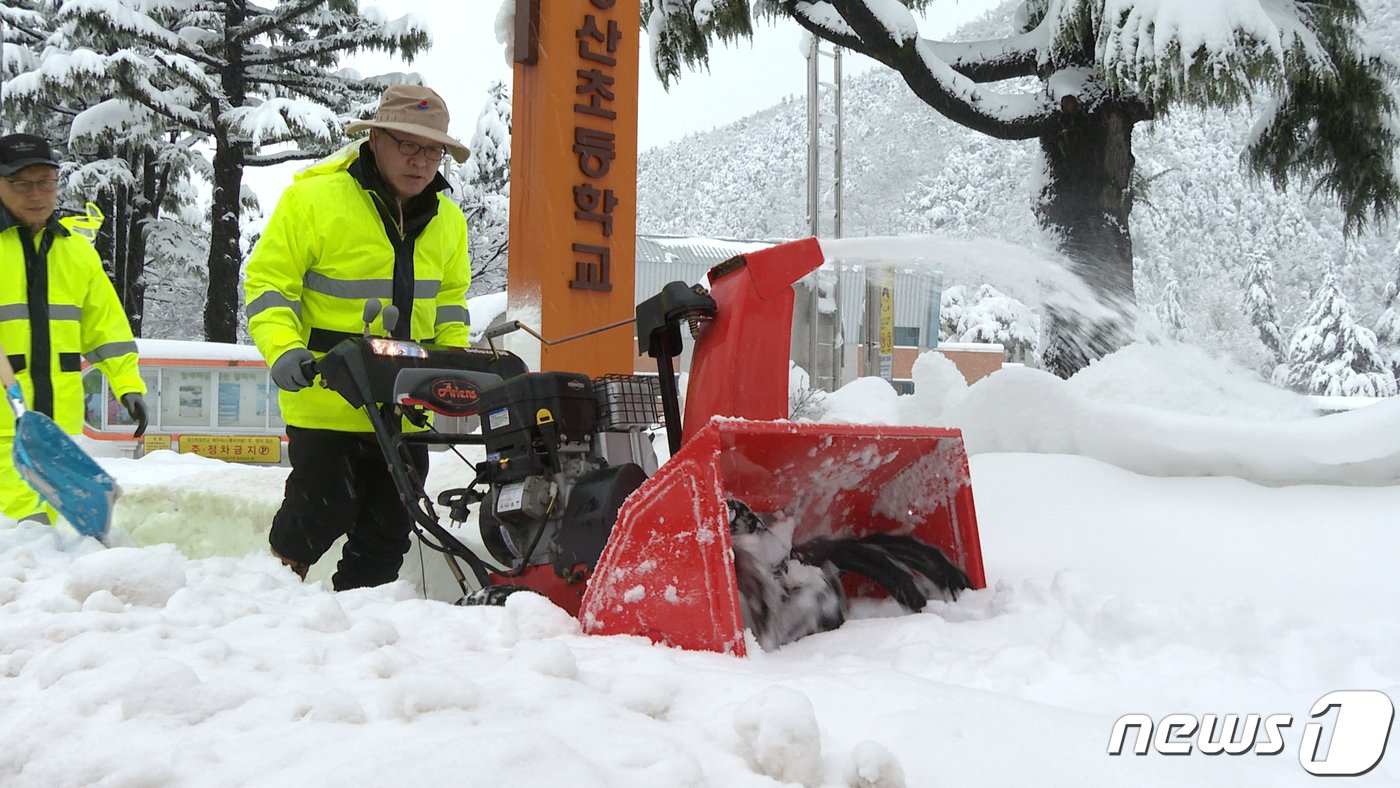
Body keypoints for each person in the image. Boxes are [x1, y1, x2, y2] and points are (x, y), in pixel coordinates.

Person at [244, 84, 473, 590]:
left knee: (389, 533)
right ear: (374, 140)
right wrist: (284, 350)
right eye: (407, 145)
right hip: (326, 399)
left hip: (405, 408)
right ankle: (266, 605)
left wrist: (456, 360)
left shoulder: (450, 221)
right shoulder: (313, 200)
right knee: (319, 512)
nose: (420, 161)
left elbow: (452, 304)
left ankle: (355, 634)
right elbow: (267, 286)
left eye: (431, 150)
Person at [0, 133, 147, 524]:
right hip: (4, 427)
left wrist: (127, 385)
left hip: (56, 431)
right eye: (21, 184)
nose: (36, 195)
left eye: (45, 182)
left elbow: (106, 328)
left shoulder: (76, 251)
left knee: (52, 541)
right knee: (25, 532)